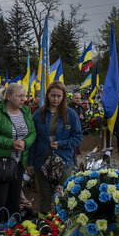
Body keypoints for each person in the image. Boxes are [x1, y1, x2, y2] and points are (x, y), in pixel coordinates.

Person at [0, 83, 37, 219]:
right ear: (8, 96)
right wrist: (10, 143)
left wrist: (24, 142)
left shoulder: (25, 111)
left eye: (24, 96)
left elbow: (32, 133)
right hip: (0, 162)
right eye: (19, 96)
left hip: (18, 163)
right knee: (0, 198)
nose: (23, 99)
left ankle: (11, 229)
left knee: (14, 198)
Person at [28, 81, 83, 213]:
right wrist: (30, 162)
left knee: (63, 195)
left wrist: (61, 144)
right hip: (41, 160)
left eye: (59, 96)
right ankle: (45, 225)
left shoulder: (71, 114)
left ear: (64, 96)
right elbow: (32, 139)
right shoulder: (38, 114)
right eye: (53, 95)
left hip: (64, 161)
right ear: (47, 96)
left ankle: (62, 225)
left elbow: (78, 138)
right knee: (45, 195)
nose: (56, 99)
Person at [68, 92, 86, 162]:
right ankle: (70, 160)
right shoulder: (68, 107)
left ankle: (74, 160)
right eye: (76, 98)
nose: (78, 100)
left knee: (76, 145)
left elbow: (85, 118)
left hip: (78, 129)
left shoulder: (82, 107)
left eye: (79, 98)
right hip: (69, 129)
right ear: (72, 98)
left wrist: (83, 118)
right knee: (70, 145)